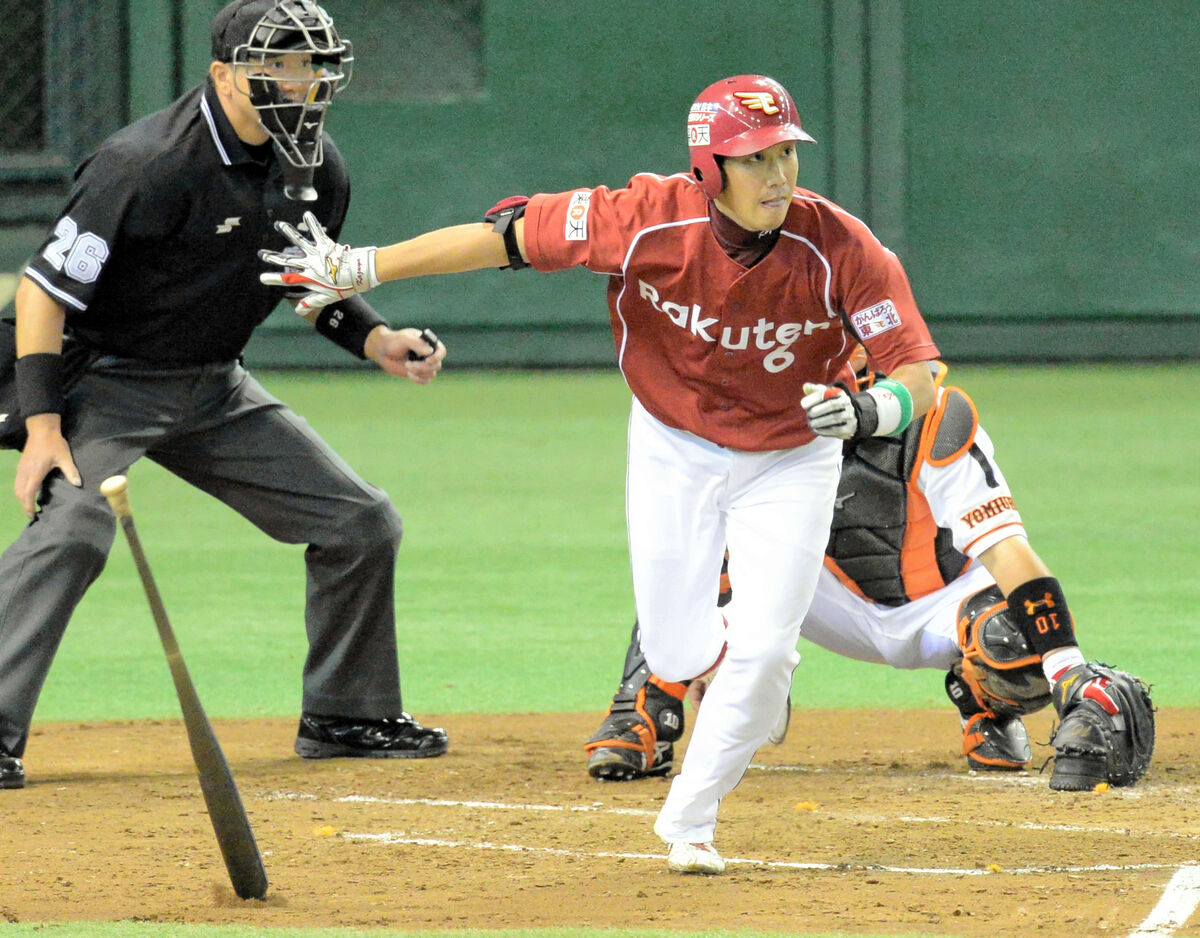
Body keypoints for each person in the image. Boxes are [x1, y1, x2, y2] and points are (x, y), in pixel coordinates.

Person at [261, 74, 942, 875]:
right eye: (755, 158)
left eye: (787, 153)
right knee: (678, 646)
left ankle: (691, 819)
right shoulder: (647, 219)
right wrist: (364, 266)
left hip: (792, 457)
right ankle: (720, 671)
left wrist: (871, 413)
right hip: (673, 445)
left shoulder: (840, 247)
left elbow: (919, 371)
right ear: (710, 165)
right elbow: (502, 238)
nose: (779, 175)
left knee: (767, 652)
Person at [0, 0, 451, 793]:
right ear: (224, 75)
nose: (302, 83)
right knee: (75, 531)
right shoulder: (144, 163)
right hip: (100, 379)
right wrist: (43, 427)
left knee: (360, 522)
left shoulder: (314, 166)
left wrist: (375, 338)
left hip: (211, 383)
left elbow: (299, 270)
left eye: (314, 65)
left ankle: (345, 714)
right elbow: (43, 295)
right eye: (281, 65)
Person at [586, 354, 1155, 797]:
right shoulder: (746, 408)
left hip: (939, 606)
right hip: (817, 592)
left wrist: (1067, 668)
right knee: (699, 548)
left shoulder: (936, 417)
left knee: (1010, 640)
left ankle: (985, 702)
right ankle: (645, 708)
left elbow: (1007, 552)